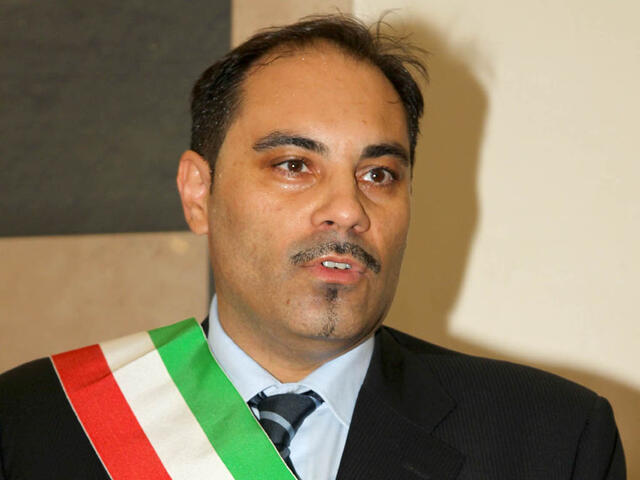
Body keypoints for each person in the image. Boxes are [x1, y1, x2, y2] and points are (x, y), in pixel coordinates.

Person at [0, 14, 625, 480]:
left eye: (379, 174)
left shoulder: (551, 439)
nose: (349, 209)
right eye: (294, 164)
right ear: (198, 193)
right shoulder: (35, 424)